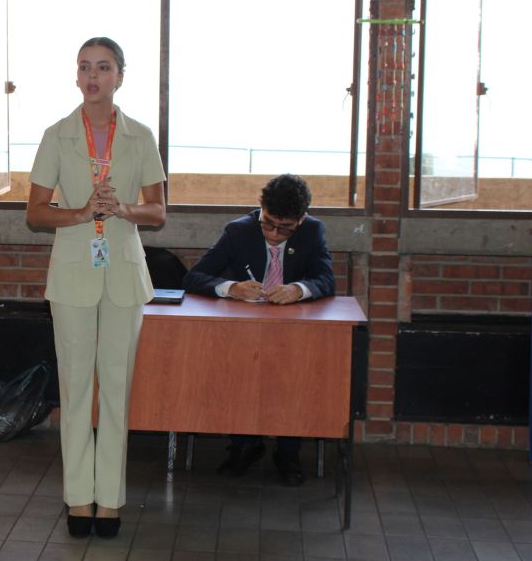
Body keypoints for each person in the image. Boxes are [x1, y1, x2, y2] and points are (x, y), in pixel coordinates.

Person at [26, 37, 165, 539]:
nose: (92, 76)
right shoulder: (56, 135)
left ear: (120, 77)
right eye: (85, 67)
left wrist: (122, 208)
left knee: (116, 391)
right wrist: (83, 213)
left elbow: (158, 211)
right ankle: (78, 498)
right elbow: (35, 212)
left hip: (123, 273)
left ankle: (109, 500)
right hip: (72, 275)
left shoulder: (140, 136)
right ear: (77, 76)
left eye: (103, 67)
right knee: (76, 389)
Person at [182, 173, 334, 486]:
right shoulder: (238, 231)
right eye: (268, 224)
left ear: (301, 220)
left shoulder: (313, 231)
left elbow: (326, 280)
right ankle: (243, 446)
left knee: (295, 378)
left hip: (293, 334)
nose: (275, 234)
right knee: (239, 377)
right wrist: (231, 287)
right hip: (244, 333)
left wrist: (298, 289)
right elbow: (194, 277)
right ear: (260, 210)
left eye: (285, 228)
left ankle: (288, 452)